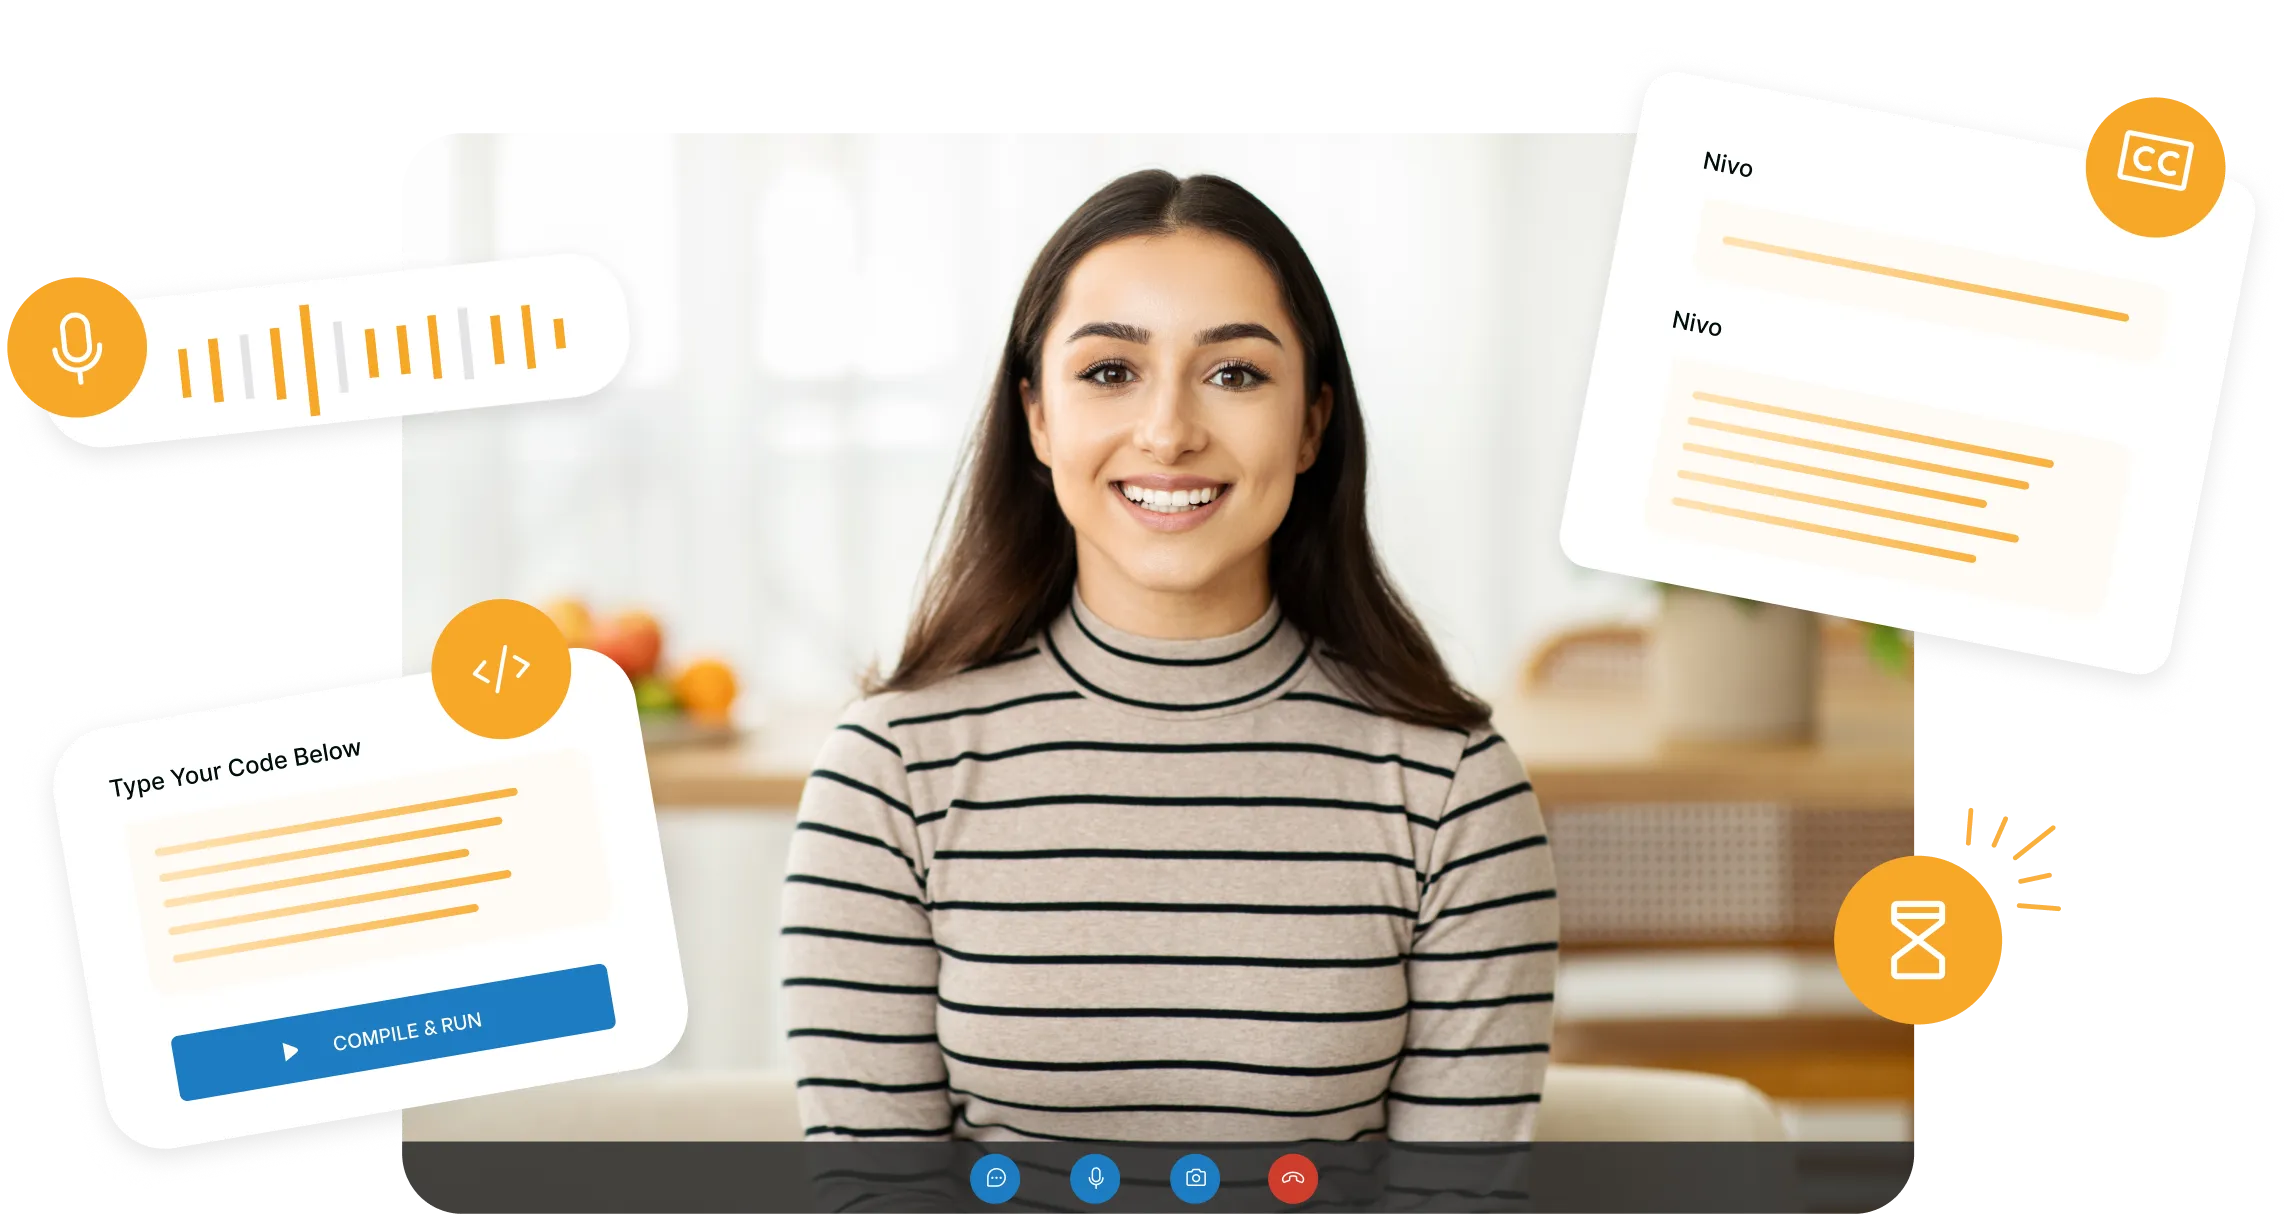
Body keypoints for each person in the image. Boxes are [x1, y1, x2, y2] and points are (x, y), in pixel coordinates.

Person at [780, 169, 1556, 1143]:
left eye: (1235, 373)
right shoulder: (887, 773)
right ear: (1036, 416)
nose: (1169, 431)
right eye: (1110, 371)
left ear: (1312, 421)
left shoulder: (1454, 792)